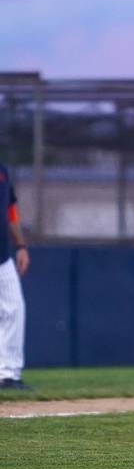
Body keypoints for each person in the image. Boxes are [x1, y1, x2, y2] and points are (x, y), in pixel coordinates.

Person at [0, 163, 29, 390]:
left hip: (3, 256)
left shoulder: (3, 169)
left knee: (14, 309)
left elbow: (10, 209)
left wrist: (20, 245)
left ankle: (8, 375)